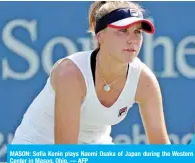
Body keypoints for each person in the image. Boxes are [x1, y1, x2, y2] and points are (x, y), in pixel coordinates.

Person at [11, 1, 171, 144]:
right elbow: (65, 155)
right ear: (100, 36)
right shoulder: (70, 74)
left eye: (137, 32)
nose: (132, 40)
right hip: (38, 150)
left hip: (96, 148)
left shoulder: (145, 81)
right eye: (122, 31)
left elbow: (161, 151)